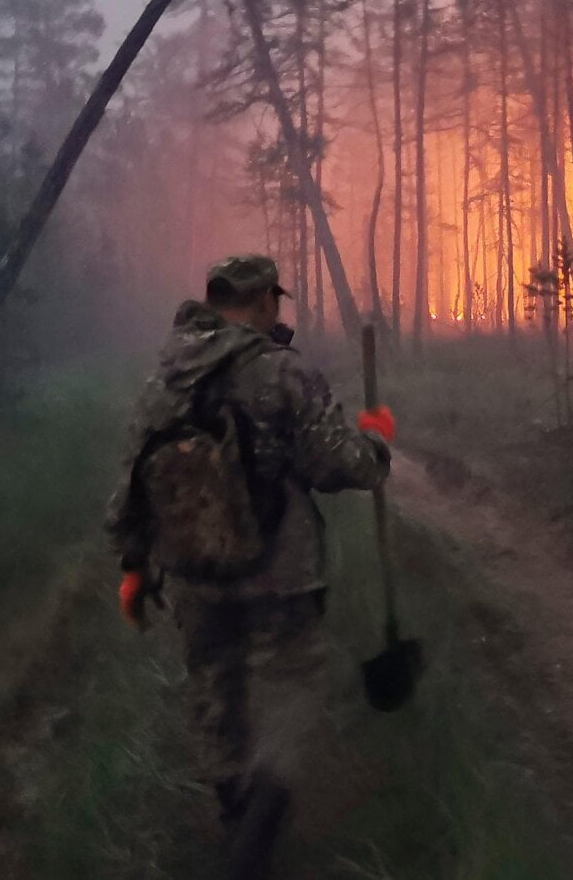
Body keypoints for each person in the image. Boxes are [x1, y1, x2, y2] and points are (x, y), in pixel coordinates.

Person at [105, 254, 394, 877]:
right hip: (280, 575)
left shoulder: (164, 379)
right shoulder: (281, 373)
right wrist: (376, 440)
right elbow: (336, 465)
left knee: (217, 701)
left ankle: (239, 832)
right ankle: (251, 848)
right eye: (275, 301)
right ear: (264, 299)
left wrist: (134, 569)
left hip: (194, 578)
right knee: (289, 703)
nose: (277, 312)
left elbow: (131, 482)